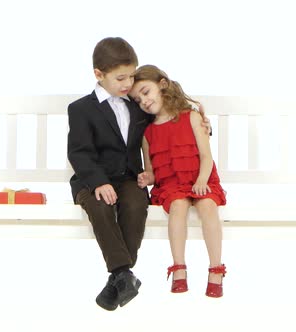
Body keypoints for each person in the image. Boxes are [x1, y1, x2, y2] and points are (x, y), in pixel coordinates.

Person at [67, 37, 151, 311]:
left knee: (136, 205)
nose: (128, 84)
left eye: (132, 76)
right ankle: (123, 273)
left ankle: (119, 277)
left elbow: (168, 117)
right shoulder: (81, 109)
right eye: (120, 78)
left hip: (128, 178)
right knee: (102, 207)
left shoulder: (138, 106)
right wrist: (99, 181)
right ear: (98, 75)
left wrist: (202, 124)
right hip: (93, 180)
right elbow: (79, 152)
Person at [129, 64, 227, 298]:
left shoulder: (191, 117)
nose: (143, 101)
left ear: (162, 84)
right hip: (172, 186)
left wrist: (202, 181)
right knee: (178, 206)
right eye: (137, 99)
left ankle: (216, 268)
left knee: (208, 206)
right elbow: (152, 169)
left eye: (145, 92)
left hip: (200, 179)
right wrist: (147, 177)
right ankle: (178, 267)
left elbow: (206, 156)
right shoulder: (148, 133)